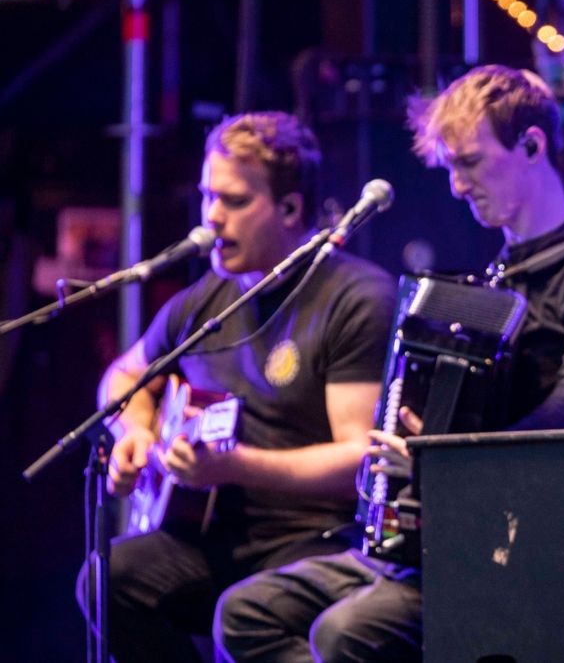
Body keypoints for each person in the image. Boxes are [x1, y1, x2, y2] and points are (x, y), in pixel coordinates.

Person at [215, 64, 564, 662]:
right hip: (451, 532)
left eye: (468, 162)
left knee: (345, 633)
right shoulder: (495, 278)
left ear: (531, 144)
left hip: (537, 543)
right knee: (246, 614)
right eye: (450, 168)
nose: (456, 186)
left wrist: (446, 462)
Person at [76, 111, 397, 663]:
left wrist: (236, 466)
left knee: (246, 609)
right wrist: (135, 430)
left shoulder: (355, 298)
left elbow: (359, 463)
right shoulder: (208, 296)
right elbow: (124, 375)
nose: (212, 218)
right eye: (208, 197)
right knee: (107, 580)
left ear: (292, 209)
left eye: (235, 201)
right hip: (216, 535)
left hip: (311, 542)